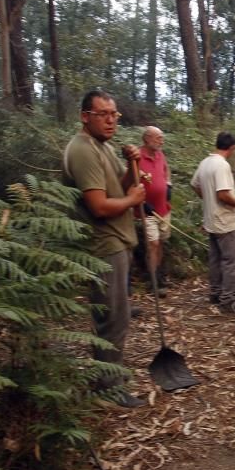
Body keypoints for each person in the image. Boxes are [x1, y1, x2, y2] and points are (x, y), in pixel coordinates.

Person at [62, 89, 147, 408]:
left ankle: (109, 378)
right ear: (86, 117)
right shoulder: (82, 150)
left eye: (115, 114)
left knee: (118, 316)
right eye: (103, 114)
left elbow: (118, 189)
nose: (111, 120)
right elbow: (98, 206)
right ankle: (108, 388)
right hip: (103, 244)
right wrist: (132, 201)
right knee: (111, 319)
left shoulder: (104, 147)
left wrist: (129, 166)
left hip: (117, 240)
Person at [190, 132, 235, 312]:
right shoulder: (222, 165)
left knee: (215, 258)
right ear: (231, 148)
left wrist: (207, 200)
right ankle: (227, 299)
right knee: (231, 260)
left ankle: (215, 292)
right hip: (224, 220)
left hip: (210, 219)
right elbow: (222, 194)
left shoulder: (206, 162)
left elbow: (195, 184)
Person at [139, 126, 171, 295]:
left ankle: (159, 275)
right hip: (147, 211)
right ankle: (152, 282)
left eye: (161, 137)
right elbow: (129, 181)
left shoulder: (160, 155)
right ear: (147, 139)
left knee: (161, 243)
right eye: (158, 137)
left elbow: (166, 171)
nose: (161, 140)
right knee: (153, 243)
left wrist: (169, 187)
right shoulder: (137, 157)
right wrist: (142, 202)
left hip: (163, 209)